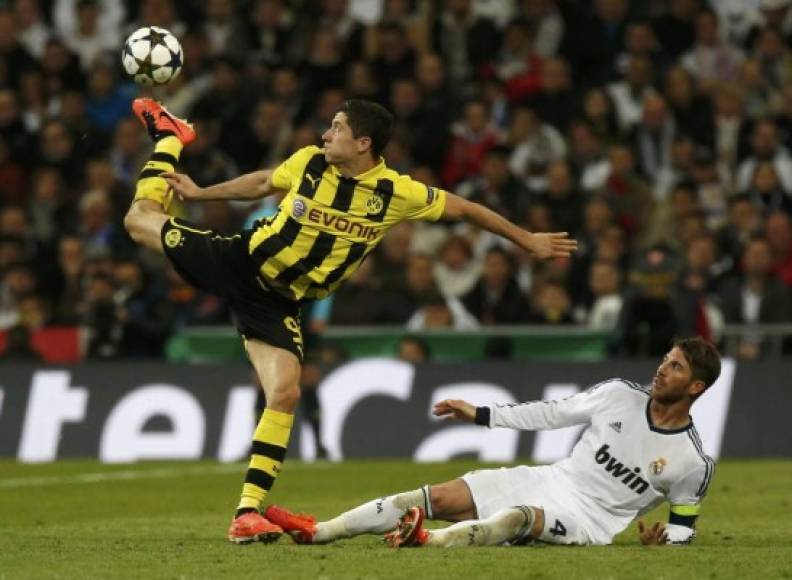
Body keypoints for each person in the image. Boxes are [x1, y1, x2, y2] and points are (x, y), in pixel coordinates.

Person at [122, 97, 578, 545]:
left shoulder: (397, 193)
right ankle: (169, 136)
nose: (325, 134)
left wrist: (525, 240)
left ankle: (246, 513)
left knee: (284, 391)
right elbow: (264, 181)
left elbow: (467, 209)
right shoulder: (309, 162)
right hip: (240, 262)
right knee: (139, 220)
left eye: (336, 127)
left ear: (363, 142)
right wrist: (202, 193)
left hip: (280, 303)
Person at [265, 337, 720, 548]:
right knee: (435, 495)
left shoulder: (692, 461)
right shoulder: (619, 394)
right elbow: (552, 412)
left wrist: (668, 543)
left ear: (696, 387)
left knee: (516, 519)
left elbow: (684, 526)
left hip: (588, 520)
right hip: (549, 478)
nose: (662, 369)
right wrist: (483, 414)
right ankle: (318, 531)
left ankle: (427, 541)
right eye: (665, 359)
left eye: (676, 367)